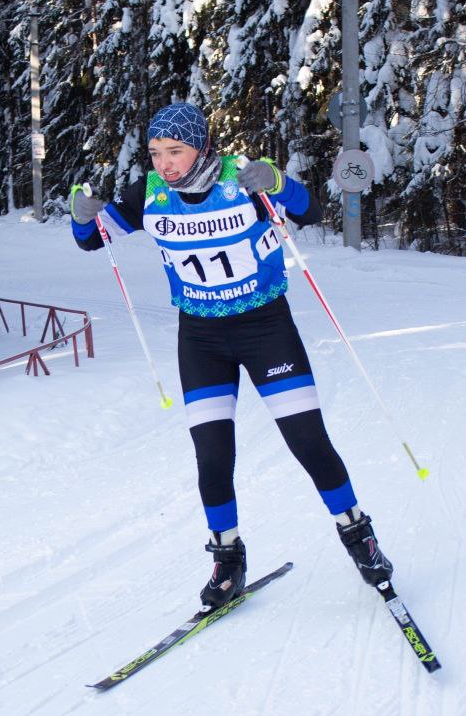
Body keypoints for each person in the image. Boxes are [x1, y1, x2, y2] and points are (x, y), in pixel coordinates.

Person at [69, 101, 393, 613]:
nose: (165, 163)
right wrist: (80, 214)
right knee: (213, 457)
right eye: (156, 153)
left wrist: (278, 182)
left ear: (201, 144)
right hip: (200, 338)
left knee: (308, 441)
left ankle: (359, 535)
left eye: (175, 151)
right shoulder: (149, 194)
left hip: (265, 327)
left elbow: (310, 210)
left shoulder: (239, 177)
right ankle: (227, 559)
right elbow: (94, 240)